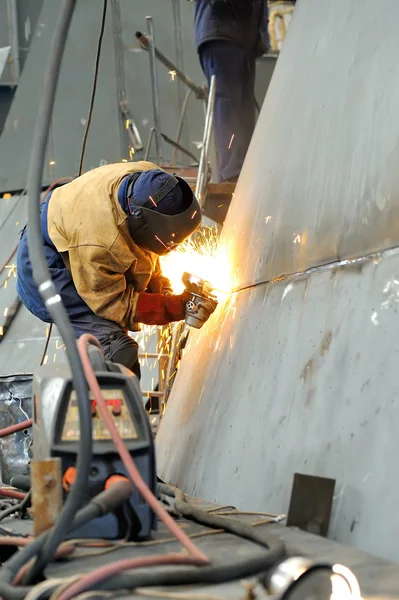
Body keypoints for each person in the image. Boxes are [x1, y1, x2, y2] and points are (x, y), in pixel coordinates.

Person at [16, 161, 216, 378]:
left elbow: (143, 255)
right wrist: (175, 307)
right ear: (141, 220)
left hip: (71, 228)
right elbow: (116, 304)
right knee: (118, 352)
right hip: (47, 269)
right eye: (169, 243)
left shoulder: (151, 180)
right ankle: (104, 406)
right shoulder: (101, 244)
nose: (174, 248)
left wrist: (163, 292)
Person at [194, 0, 269, 182]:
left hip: (242, 40)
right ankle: (233, 172)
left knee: (243, 111)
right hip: (223, 33)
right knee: (228, 104)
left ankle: (243, 171)